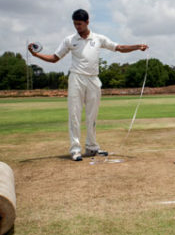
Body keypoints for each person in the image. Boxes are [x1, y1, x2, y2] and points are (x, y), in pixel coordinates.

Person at [28, 9, 148, 161]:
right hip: (76, 78)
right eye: (75, 24)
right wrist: (36, 54)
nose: (77, 27)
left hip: (93, 79)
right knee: (74, 114)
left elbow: (119, 48)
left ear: (87, 22)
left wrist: (138, 46)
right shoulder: (70, 40)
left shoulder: (98, 38)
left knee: (92, 115)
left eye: (79, 24)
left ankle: (92, 147)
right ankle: (75, 149)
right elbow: (54, 58)